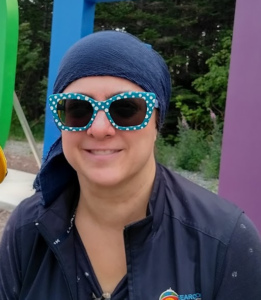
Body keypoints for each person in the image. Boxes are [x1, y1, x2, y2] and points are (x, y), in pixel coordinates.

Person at [0, 30, 260, 300]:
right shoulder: (27, 229)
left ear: (157, 122)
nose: (99, 129)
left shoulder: (224, 240)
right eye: (79, 108)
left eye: (125, 108)